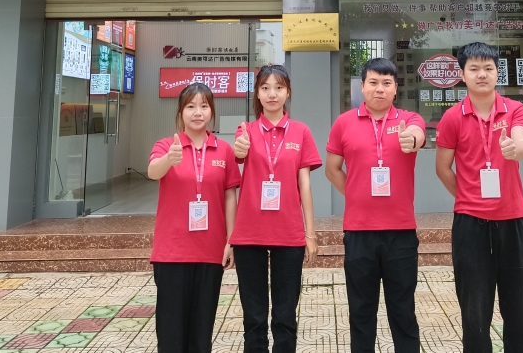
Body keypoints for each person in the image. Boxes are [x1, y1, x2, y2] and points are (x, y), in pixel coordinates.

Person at [435, 42, 523, 353]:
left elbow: (522, 144)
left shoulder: (515, 109)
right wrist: (469, 199)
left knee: (517, 308)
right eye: (474, 69)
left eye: (488, 68)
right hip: (471, 225)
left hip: (515, 221)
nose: (482, 74)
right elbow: (442, 168)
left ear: (497, 72)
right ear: (462, 75)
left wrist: (515, 149)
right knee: (474, 311)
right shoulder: (452, 117)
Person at [325, 57, 427, 353]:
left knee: (403, 311)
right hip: (359, 233)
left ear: (395, 88)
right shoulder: (344, 123)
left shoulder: (409, 119)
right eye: (373, 82)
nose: (379, 89)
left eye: (386, 83)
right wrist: (356, 194)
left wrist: (412, 139)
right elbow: (332, 169)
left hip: (401, 233)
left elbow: (418, 134)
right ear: (362, 86)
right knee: (361, 312)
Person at [230, 64, 322, 353]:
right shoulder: (246, 130)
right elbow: (238, 155)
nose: (272, 94)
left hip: (289, 233)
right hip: (249, 234)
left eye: (279, 88)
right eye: (265, 88)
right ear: (257, 94)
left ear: (288, 92)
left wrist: (310, 234)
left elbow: (304, 185)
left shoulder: (301, 132)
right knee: (254, 318)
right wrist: (239, 150)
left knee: (285, 316)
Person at [148, 82, 240, 353]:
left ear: (212, 111)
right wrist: (169, 159)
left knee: (201, 333)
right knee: (171, 333)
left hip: (210, 252)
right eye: (190, 106)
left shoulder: (224, 150)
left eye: (204, 106)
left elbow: (230, 196)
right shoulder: (167, 145)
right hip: (172, 252)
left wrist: (231, 240)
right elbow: (153, 171)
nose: (198, 112)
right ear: (180, 112)